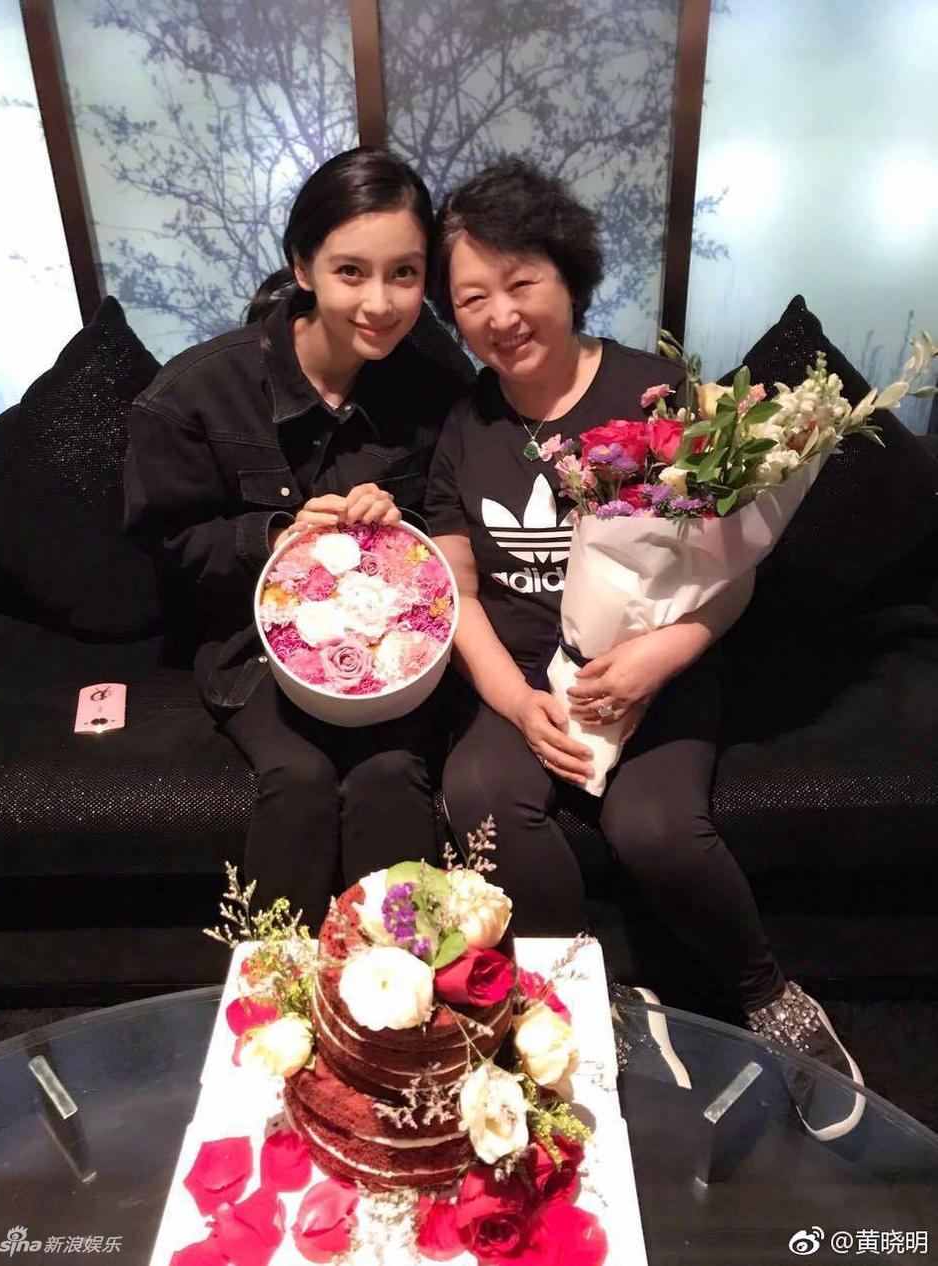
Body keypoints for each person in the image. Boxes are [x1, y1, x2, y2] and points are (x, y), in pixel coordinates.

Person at [424, 158, 864, 1141]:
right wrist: (514, 701)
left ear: (567, 275)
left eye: (521, 281)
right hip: (528, 677)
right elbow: (455, 592)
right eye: (473, 298)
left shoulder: (656, 393)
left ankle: (768, 994)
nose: (501, 314)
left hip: (657, 668)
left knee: (654, 828)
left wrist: (660, 658)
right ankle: (577, 1003)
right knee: (478, 792)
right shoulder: (465, 423)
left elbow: (729, 567)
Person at [124, 147, 471, 931]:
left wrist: (401, 525)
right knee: (300, 776)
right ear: (302, 265)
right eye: (351, 272)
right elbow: (165, 547)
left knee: (390, 773)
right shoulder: (199, 394)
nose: (380, 302)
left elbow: (450, 526)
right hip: (254, 643)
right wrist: (276, 533)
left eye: (405, 274)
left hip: (393, 647)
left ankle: (400, 987)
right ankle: (276, 989)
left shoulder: (437, 387)